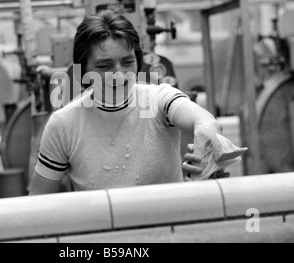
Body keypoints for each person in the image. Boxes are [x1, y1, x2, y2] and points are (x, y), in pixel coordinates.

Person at [29, 10, 232, 195]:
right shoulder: (64, 125)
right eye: (105, 65)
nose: (119, 75)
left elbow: (201, 119)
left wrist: (206, 141)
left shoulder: (160, 100)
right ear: (83, 71)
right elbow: (37, 207)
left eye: (127, 62)